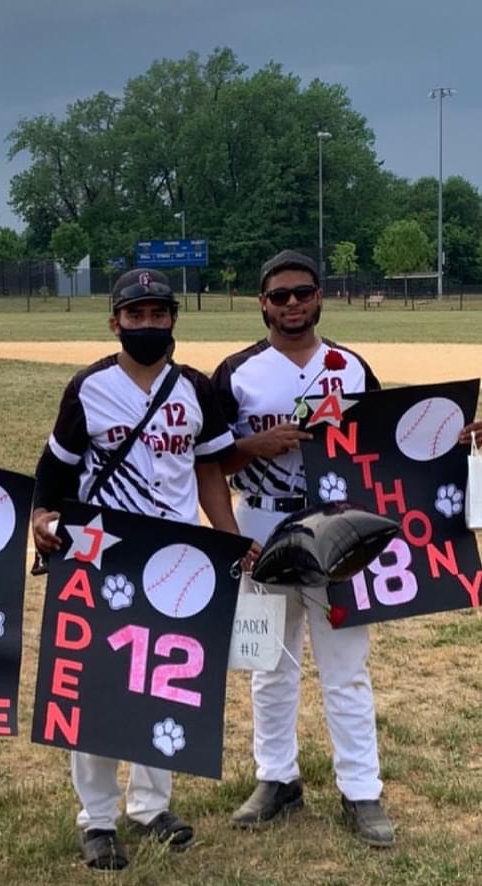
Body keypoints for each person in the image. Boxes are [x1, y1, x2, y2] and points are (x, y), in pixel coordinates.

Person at [32, 267, 239, 871]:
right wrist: (42, 516)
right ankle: (96, 817)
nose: (147, 325)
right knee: (96, 685)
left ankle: (152, 805)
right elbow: (56, 466)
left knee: (165, 679)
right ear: (115, 321)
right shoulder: (89, 387)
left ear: (174, 318)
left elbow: (211, 470)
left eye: (158, 314)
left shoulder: (195, 388)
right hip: (104, 551)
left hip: (176, 554)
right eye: (135, 315)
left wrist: (227, 539)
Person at [211, 249, 395, 848]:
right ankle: (276, 779)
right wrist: (251, 451)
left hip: (339, 529)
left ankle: (361, 791)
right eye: (280, 294)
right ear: (261, 302)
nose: (292, 303)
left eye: (303, 292)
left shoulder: (350, 366)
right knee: (269, 664)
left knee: (345, 666)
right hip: (261, 526)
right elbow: (209, 460)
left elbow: (386, 444)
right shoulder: (236, 372)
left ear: (320, 297)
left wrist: (451, 434)